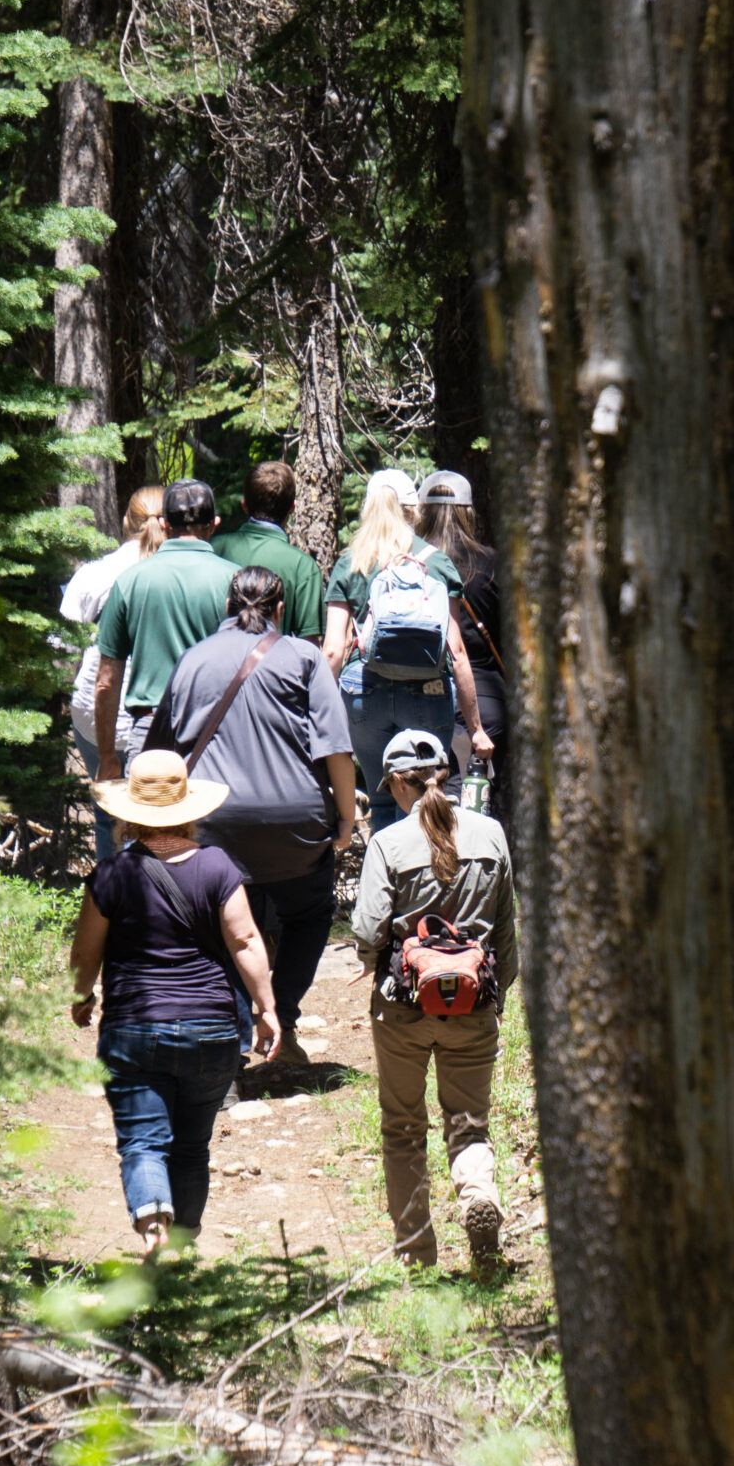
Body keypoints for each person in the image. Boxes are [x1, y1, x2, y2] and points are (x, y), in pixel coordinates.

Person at [69, 750, 279, 1260]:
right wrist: (266, 1008)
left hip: (134, 1030)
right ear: (191, 811)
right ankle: (180, 1245)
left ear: (127, 815)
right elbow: (246, 941)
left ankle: (152, 1225)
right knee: (190, 1147)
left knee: (143, 1141)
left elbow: (86, 950)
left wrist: (82, 996)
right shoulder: (217, 867)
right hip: (211, 1030)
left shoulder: (111, 875)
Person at [145, 567, 357, 1064]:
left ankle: (232, 1043)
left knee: (222, 929)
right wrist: (345, 821)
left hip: (212, 825)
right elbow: (337, 751)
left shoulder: (193, 659)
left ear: (227, 605)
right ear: (280, 610)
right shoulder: (303, 657)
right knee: (308, 914)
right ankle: (281, 1016)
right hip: (295, 827)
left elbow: (160, 752)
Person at [351, 728, 519, 1270]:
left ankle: (417, 1256)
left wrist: (375, 958)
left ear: (398, 784)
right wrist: (498, 994)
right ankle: (479, 1197)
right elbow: (508, 932)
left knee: (403, 1126)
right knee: (469, 1120)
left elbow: (369, 930)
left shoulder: (387, 844)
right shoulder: (491, 835)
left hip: (403, 1006)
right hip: (471, 1003)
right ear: (443, 774)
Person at [322, 473, 492, 826]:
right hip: (427, 692)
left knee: (383, 799)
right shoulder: (436, 562)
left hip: (364, 691)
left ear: (368, 508)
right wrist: (475, 728)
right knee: (427, 800)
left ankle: (387, 877)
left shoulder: (351, 562)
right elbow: (456, 651)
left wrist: (318, 718)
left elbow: (333, 651)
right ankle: (428, 878)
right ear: (413, 512)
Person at [94, 479, 238, 782]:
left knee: (150, 827)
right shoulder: (235, 580)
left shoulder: (130, 582)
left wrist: (107, 757)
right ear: (214, 524)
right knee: (209, 828)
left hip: (150, 736)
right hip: (217, 735)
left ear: (164, 523)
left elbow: (106, 681)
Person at [63, 485, 168, 861]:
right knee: (162, 818)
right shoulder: (175, 578)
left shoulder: (93, 575)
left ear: (127, 522)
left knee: (110, 819)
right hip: (157, 720)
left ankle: (111, 903)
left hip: (94, 714)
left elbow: (61, 647)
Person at [416, 470, 511, 819]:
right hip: (486, 701)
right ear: (468, 513)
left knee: (428, 807)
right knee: (478, 809)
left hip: (420, 700)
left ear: (422, 512)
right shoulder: (492, 564)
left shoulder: (410, 563)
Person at [212, 460, 325, 642]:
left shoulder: (215, 549)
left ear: (244, 506)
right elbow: (309, 648)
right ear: (292, 508)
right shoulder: (303, 567)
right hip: (274, 668)